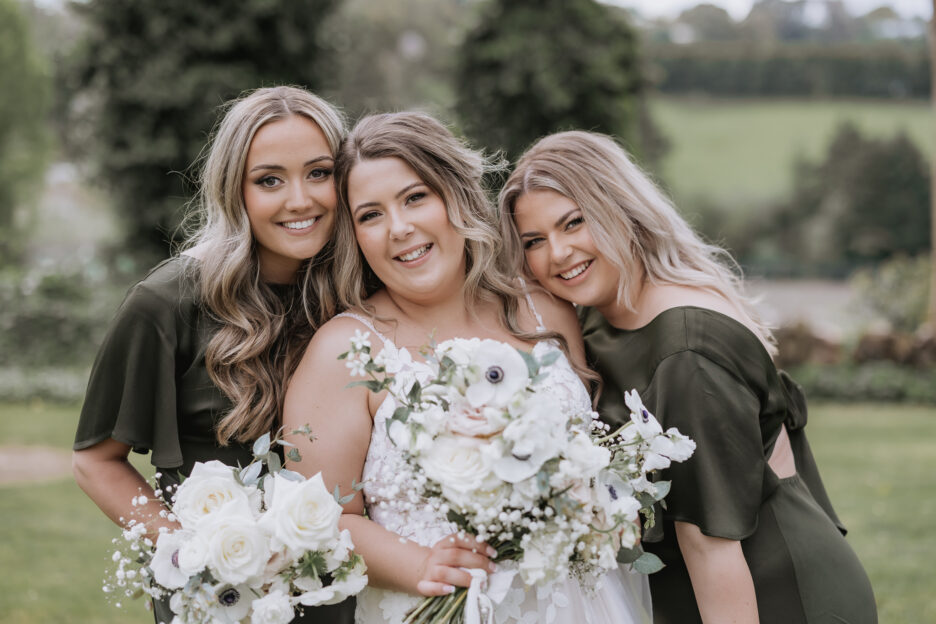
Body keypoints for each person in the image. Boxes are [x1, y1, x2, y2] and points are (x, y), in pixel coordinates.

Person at [282, 112, 653, 623]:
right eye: (370, 215)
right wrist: (418, 564)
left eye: (416, 197)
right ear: (355, 236)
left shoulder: (544, 311)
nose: (400, 228)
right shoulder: (344, 351)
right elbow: (314, 517)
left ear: (455, 195)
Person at [498, 130, 878, 624]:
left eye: (574, 222)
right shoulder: (602, 313)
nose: (558, 253)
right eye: (534, 241)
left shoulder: (683, 351)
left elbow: (711, 545)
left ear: (620, 208)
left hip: (768, 592)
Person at [72, 86, 354, 624]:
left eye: (319, 173)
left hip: (344, 591)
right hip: (226, 600)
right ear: (234, 190)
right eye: (269, 180)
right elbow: (95, 460)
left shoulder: (361, 296)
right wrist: (195, 553)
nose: (301, 199)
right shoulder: (166, 302)